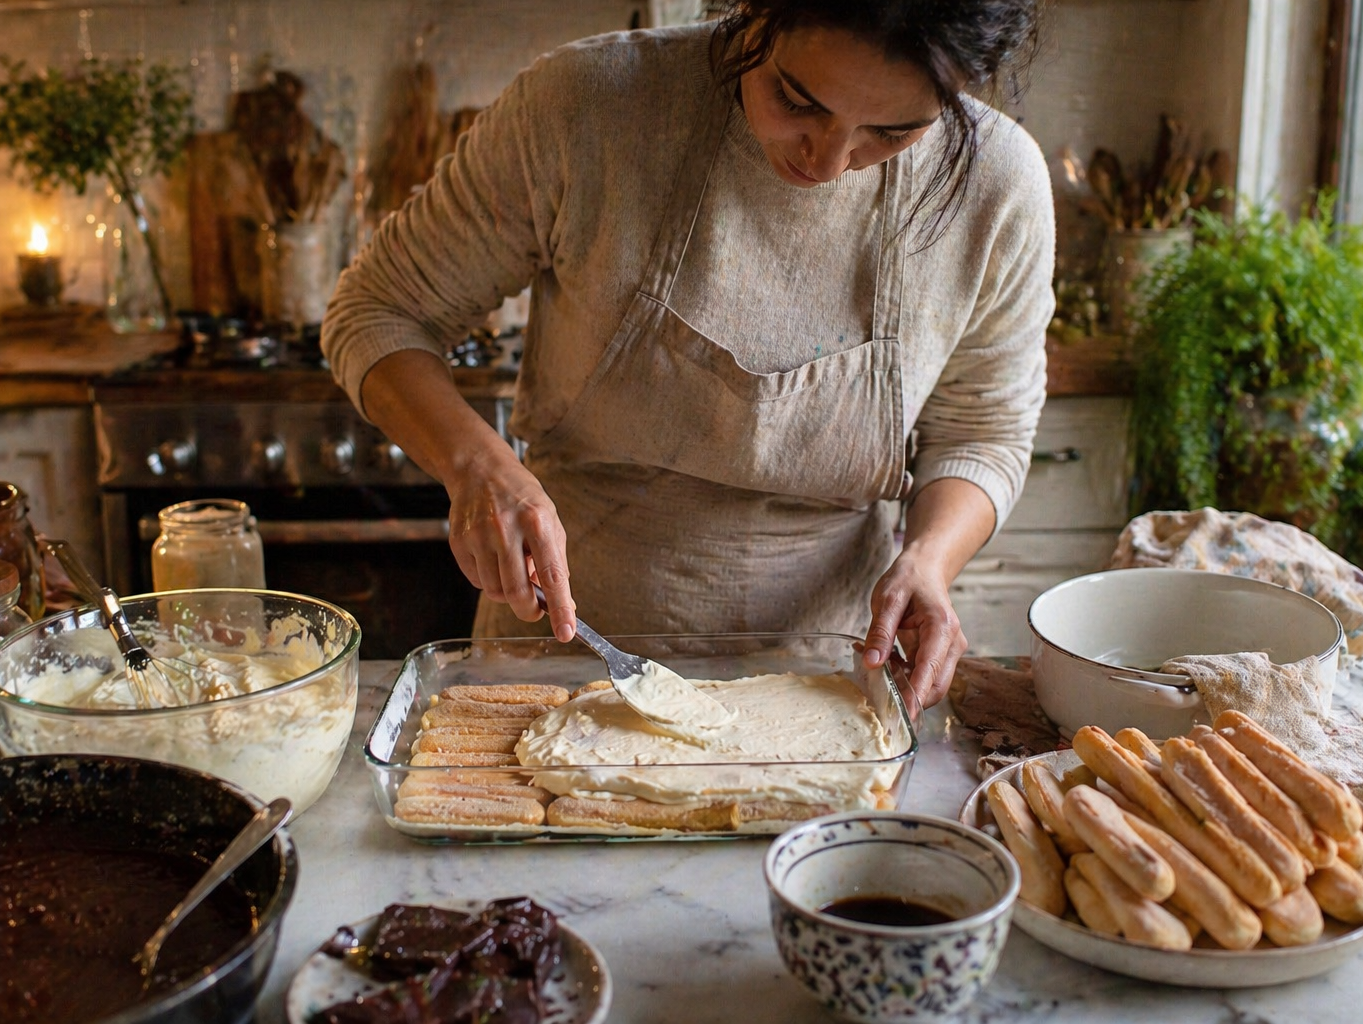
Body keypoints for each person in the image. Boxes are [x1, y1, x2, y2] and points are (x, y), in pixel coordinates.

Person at [322, 0, 1053, 710]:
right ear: (755, 17)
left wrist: (930, 559)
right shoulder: (590, 104)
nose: (829, 161)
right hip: (561, 656)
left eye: (891, 132)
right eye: (797, 101)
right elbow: (381, 311)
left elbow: (983, 430)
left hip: (828, 675)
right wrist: (476, 465)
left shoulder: (996, 184)